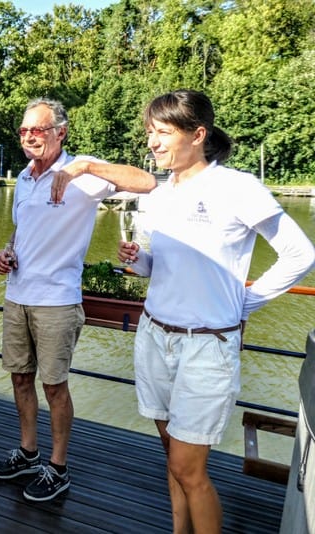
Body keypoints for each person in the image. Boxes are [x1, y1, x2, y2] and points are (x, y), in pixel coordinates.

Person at [119, 89, 315, 532]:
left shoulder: (236, 187)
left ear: (198, 135)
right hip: (155, 336)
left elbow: (300, 255)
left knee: (190, 468)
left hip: (206, 347)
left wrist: (246, 301)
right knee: (173, 458)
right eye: (150, 132)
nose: (151, 141)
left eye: (162, 132)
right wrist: (136, 261)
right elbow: (155, 268)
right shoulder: (160, 194)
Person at [0, 98, 155, 502]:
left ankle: (58, 467)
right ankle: (29, 453)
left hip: (58, 302)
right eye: (24, 131)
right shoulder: (26, 178)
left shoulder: (81, 171)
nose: (29, 137)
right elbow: (23, 230)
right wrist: (6, 252)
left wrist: (83, 166)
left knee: (54, 387)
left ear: (60, 133)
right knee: (19, 377)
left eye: (38, 130)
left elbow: (146, 181)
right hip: (18, 296)